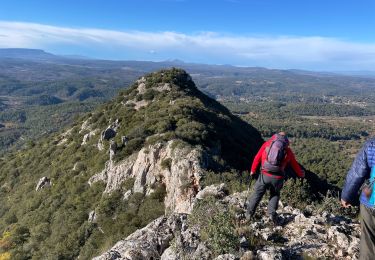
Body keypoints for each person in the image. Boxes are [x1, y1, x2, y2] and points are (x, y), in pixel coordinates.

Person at [245, 132, 305, 225]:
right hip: (277, 178)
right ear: (285, 140)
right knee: (274, 194)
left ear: (275, 137)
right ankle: (271, 214)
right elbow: (295, 165)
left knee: (257, 194)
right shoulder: (287, 151)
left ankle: (249, 214)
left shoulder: (266, 145)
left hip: (264, 175)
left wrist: (253, 170)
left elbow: (257, 158)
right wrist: (301, 174)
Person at [341, 137, 375, 259]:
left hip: (370, 198)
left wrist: (346, 196)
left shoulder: (371, 144)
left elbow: (357, 173)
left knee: (368, 240)